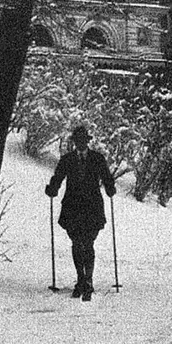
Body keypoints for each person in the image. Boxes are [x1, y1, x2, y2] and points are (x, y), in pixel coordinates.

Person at [45, 125, 116, 301]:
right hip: (73, 207)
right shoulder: (67, 160)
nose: (81, 144)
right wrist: (52, 189)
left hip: (92, 208)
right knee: (77, 243)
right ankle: (81, 280)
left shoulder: (97, 159)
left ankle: (88, 281)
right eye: (78, 141)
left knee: (89, 243)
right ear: (75, 142)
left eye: (84, 141)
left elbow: (107, 177)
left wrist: (110, 188)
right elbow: (58, 177)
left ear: (88, 141)